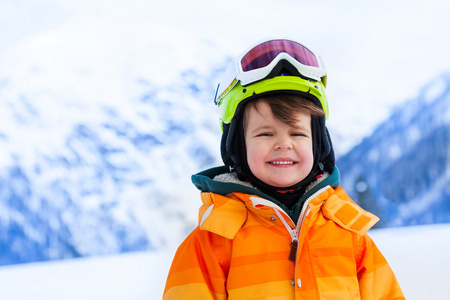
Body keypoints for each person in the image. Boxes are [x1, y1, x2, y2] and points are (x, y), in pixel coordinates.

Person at [163, 38, 405, 299]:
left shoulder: (350, 237)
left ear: (318, 144)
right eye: (265, 133)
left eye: (298, 133)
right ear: (237, 146)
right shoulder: (211, 244)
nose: (283, 144)